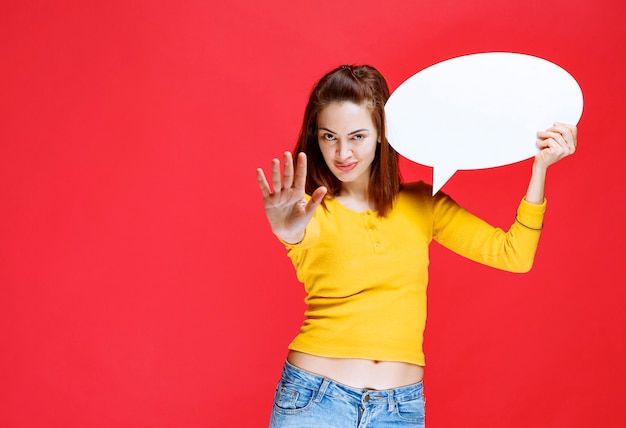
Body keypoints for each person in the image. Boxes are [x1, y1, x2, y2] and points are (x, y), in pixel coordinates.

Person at [255, 64, 577, 428]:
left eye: (357, 136)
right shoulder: (309, 212)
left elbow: (514, 255)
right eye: (330, 137)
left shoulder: (423, 203)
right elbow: (296, 234)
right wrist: (285, 229)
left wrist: (540, 168)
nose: (342, 152)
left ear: (381, 134)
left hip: (399, 409)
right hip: (314, 401)